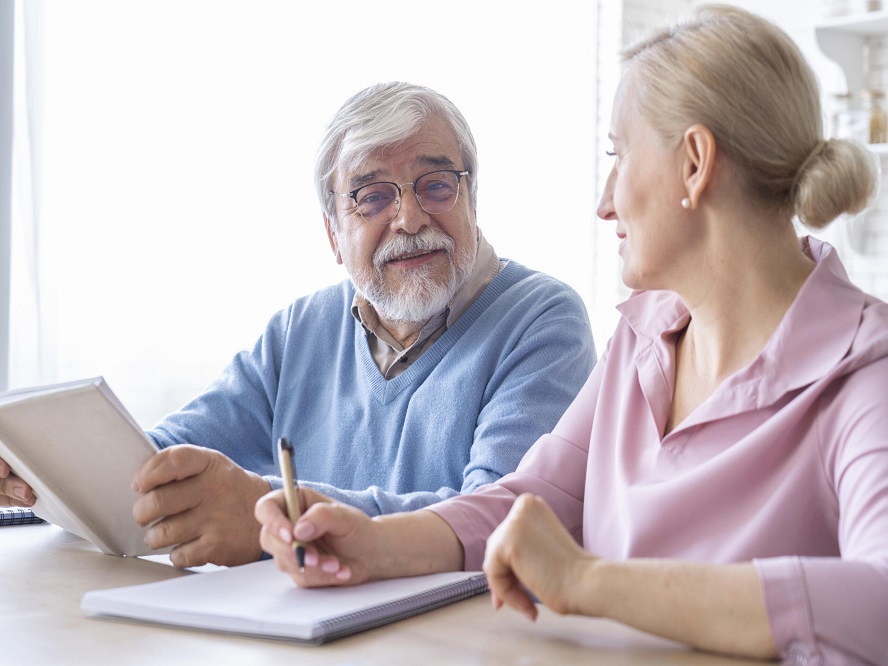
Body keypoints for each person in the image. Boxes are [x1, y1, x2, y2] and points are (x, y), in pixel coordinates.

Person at [255, 7, 888, 665]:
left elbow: (880, 599)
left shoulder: (864, 368)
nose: (605, 199)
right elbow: (527, 509)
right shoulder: (642, 340)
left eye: (618, 156)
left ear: (695, 164)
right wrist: (376, 544)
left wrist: (590, 582)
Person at [0, 82, 596, 568]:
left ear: (473, 200)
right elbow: (159, 465)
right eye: (371, 196)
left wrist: (274, 514)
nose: (410, 217)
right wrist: (44, 469)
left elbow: (499, 521)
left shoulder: (543, 318)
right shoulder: (299, 330)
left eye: (436, 185)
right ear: (333, 234)